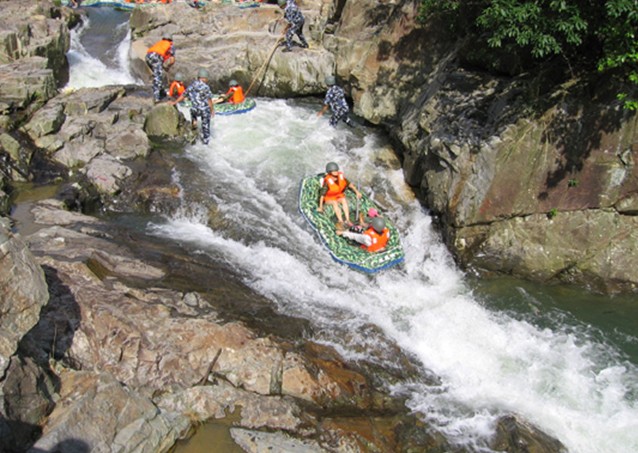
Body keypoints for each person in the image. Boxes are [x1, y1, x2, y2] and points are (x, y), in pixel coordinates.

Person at [171, 68, 215, 145]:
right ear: (204, 78)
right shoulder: (205, 87)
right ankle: (206, 142)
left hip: (194, 110)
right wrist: (212, 110)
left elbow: (183, 95)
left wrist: (175, 102)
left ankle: (194, 123)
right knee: (205, 128)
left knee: (193, 111)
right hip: (204, 110)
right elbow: (209, 100)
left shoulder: (192, 85)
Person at [317, 162, 361, 227]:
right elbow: (322, 195)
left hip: (338, 195)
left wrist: (357, 192)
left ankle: (347, 220)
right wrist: (320, 207)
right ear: (330, 173)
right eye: (334, 172)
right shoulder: (327, 182)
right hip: (329, 198)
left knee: (343, 200)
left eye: (336, 171)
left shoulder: (340, 177)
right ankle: (340, 221)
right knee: (334, 203)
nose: (336, 173)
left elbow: (349, 184)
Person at [146, 34, 175, 103]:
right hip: (156, 57)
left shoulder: (160, 43)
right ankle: (156, 97)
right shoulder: (170, 45)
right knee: (158, 76)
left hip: (148, 57)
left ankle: (161, 91)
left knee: (157, 74)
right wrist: (168, 67)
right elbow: (172, 60)